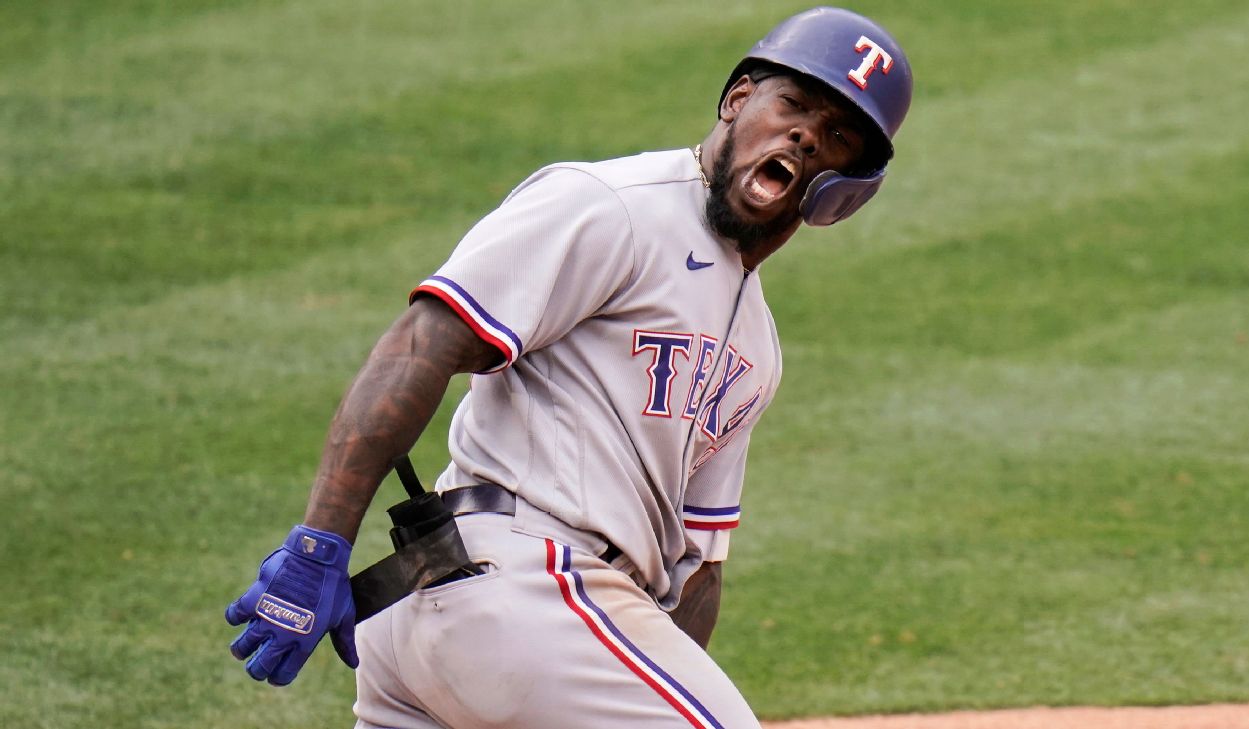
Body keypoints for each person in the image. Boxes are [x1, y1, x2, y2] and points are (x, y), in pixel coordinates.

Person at [225, 6, 913, 728]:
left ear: (850, 188)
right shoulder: (614, 208)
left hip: (486, 623)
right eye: (792, 104)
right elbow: (422, 342)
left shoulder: (757, 347)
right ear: (738, 100)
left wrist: (656, 678)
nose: (804, 135)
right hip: (519, 585)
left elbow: (698, 570)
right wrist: (318, 544)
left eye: (837, 135)